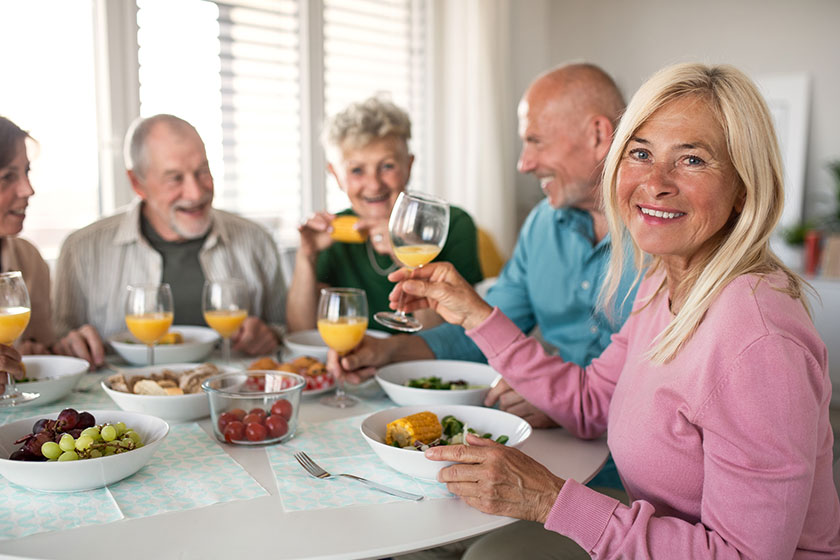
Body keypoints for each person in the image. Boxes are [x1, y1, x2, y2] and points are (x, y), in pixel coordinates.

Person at [390, 62, 840, 558]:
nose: (655, 182)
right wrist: (474, 313)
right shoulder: (662, 282)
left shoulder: (758, 343)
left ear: (744, 190)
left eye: (692, 160)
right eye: (641, 153)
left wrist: (548, 500)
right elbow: (589, 404)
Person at [332, 64, 635, 491]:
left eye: (534, 141)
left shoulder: (664, 242)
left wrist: (558, 400)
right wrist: (391, 350)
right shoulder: (541, 225)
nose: (523, 162)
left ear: (598, 135)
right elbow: (487, 327)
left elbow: (664, 391)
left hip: (630, 481)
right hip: (547, 452)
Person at [52, 114, 286, 368]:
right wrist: (67, 344)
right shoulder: (81, 250)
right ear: (137, 183)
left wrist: (271, 335)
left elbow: (286, 329)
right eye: (175, 178)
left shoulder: (257, 240)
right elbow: (58, 341)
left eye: (203, 171)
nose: (196, 192)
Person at [285, 96, 482, 333]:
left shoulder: (453, 224)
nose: (374, 184)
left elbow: (450, 335)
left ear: (408, 166)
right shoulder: (331, 236)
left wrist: (404, 252)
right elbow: (300, 333)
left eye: (387, 166)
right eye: (357, 170)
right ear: (335, 175)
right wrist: (306, 256)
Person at [0, 116, 56, 354]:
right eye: (7, 177)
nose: (28, 189)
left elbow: (42, 350)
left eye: (26, 172)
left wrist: (43, 350)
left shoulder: (29, 260)